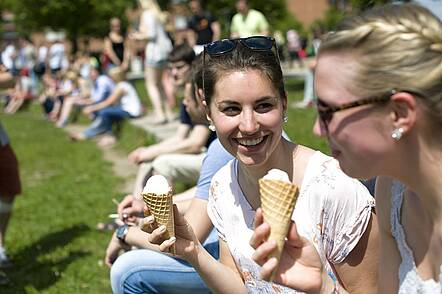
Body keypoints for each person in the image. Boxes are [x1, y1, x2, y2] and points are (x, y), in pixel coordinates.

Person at [123, 36, 379, 293]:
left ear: (284, 103)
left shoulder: (336, 190)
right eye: (231, 109)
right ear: (209, 112)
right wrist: (193, 251)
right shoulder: (223, 185)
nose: (249, 125)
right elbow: (243, 286)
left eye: (263, 105)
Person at [255, 3, 442, 293]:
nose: (317, 129)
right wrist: (323, 287)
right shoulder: (392, 189)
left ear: (399, 114)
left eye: (329, 111)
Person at [128, 47, 214, 197]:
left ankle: (160, 216)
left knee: (161, 163)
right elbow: (180, 136)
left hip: (210, 156)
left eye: (179, 67)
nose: (174, 73)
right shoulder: (187, 96)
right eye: (171, 68)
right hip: (204, 153)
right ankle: (136, 210)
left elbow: (195, 143)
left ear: (192, 66)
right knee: (148, 161)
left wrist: (152, 152)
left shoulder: (199, 94)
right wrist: (148, 151)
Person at [69, 67, 142, 143]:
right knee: (105, 113)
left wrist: (92, 108)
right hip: (130, 111)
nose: (110, 79)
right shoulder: (124, 85)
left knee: (104, 112)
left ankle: (108, 136)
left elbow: (108, 102)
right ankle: (86, 134)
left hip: (131, 112)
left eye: (111, 76)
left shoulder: (121, 86)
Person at [130, 0, 174, 124]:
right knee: (159, 84)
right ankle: (168, 112)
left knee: (151, 84)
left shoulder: (147, 14)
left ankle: (160, 114)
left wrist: (137, 36)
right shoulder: (157, 14)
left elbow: (151, 34)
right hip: (164, 51)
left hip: (154, 53)